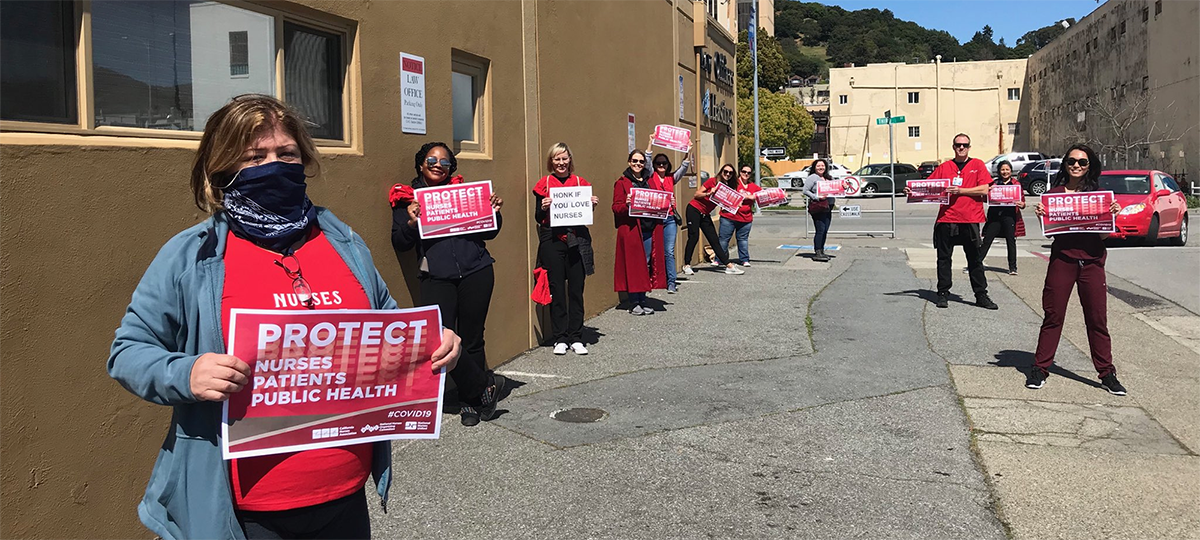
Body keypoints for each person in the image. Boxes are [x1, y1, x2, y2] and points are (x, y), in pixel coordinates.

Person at [107, 94, 463, 540]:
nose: (274, 164)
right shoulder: (192, 254)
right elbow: (127, 352)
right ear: (222, 167)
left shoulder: (343, 241)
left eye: (287, 153)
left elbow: (387, 321)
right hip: (247, 513)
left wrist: (434, 343)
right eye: (255, 156)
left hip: (344, 498)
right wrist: (188, 372)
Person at [390, 142, 506, 427]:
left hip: (477, 271)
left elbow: (490, 233)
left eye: (444, 162)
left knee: (473, 336)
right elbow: (400, 243)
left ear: (451, 167)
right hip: (436, 277)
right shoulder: (408, 199)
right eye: (431, 159)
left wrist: (494, 212)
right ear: (420, 164)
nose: (437, 165)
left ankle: (470, 402)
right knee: (441, 341)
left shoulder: (465, 194)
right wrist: (411, 223)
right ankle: (482, 389)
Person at [1027, 143, 1126, 395]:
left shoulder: (1098, 195)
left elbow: (1103, 239)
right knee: (1053, 315)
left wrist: (1111, 216)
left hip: (1092, 262)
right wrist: (1042, 215)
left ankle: (1107, 373)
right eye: (1072, 161)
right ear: (1065, 164)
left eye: (1082, 162)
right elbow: (1051, 233)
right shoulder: (1056, 194)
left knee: (1096, 319)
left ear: (1089, 165)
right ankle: (1040, 368)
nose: (1077, 166)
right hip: (1063, 261)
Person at [907, 133, 998, 310]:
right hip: (946, 219)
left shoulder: (977, 164)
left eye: (964, 145)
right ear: (953, 147)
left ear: (969, 147)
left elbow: (985, 189)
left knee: (974, 259)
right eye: (958, 145)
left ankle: (981, 295)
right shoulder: (945, 167)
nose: (961, 148)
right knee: (943, 259)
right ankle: (942, 293)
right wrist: (912, 191)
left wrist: (961, 191)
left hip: (970, 219)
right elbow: (929, 186)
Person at [533, 143, 599, 355]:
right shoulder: (544, 184)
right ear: (551, 162)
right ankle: (560, 337)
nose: (561, 163)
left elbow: (584, 214)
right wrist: (544, 208)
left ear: (570, 159)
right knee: (557, 289)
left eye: (564, 159)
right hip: (553, 241)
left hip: (577, 240)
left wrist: (591, 204)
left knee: (576, 289)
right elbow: (538, 217)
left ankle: (576, 336)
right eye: (556, 159)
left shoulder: (581, 183)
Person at [613, 150, 667, 314]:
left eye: (641, 161)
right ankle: (634, 301)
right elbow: (616, 207)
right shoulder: (621, 183)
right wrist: (627, 204)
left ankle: (643, 298)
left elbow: (658, 201)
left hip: (649, 229)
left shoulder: (650, 181)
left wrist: (667, 202)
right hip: (632, 230)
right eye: (635, 161)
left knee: (647, 263)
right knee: (634, 265)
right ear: (629, 162)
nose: (638, 164)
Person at [644, 138, 692, 293]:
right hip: (654, 219)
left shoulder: (672, 178)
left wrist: (688, 150)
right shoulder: (651, 176)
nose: (661, 166)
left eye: (664, 163)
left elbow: (684, 167)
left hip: (670, 218)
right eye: (658, 163)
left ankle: (671, 282)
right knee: (651, 251)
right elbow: (647, 160)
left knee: (668, 251)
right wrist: (650, 143)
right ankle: (649, 280)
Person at [681, 164, 745, 275]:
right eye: (725, 172)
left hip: (705, 214)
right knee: (694, 237)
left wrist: (735, 204)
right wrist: (709, 192)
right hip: (694, 210)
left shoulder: (727, 187)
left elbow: (726, 202)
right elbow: (697, 194)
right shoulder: (712, 181)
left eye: (730, 173)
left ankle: (728, 265)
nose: (728, 174)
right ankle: (686, 265)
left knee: (714, 240)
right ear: (721, 172)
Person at [977, 161, 1026, 275]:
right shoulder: (994, 183)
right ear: (999, 171)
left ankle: (1012, 267)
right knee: (987, 240)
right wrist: (987, 192)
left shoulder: (1016, 184)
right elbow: (985, 198)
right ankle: (976, 264)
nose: (1005, 172)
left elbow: (1022, 202)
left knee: (1011, 241)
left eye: (1007, 169)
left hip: (1009, 216)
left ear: (1011, 170)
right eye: (1002, 170)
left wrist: (1022, 205)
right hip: (995, 216)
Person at [717, 165, 762, 267]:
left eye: (748, 172)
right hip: (729, 217)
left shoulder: (753, 186)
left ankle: (744, 259)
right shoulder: (734, 183)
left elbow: (763, 195)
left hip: (745, 218)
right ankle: (719, 259)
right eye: (744, 171)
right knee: (724, 239)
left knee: (743, 239)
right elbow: (722, 193)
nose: (746, 174)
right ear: (740, 172)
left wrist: (750, 196)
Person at [802, 159, 845, 262]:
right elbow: (805, 190)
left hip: (828, 206)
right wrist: (816, 197)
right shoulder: (812, 177)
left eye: (822, 166)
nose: (821, 168)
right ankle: (817, 252)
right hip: (818, 207)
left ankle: (821, 250)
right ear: (814, 167)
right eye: (818, 166)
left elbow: (836, 189)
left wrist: (844, 187)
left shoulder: (828, 178)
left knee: (825, 230)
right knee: (820, 230)